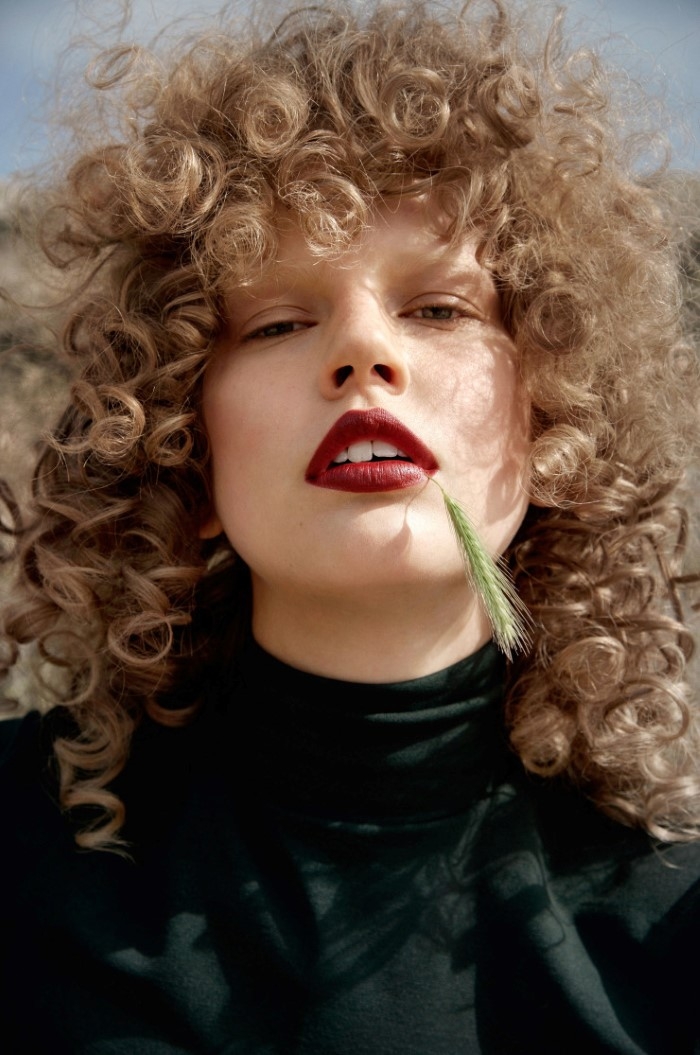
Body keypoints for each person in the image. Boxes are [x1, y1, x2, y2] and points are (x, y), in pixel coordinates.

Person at [1, 0, 699, 1051]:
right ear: (181, 448)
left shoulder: (675, 923)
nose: (363, 351)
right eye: (278, 321)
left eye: (441, 309)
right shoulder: (19, 847)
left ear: (555, 419)